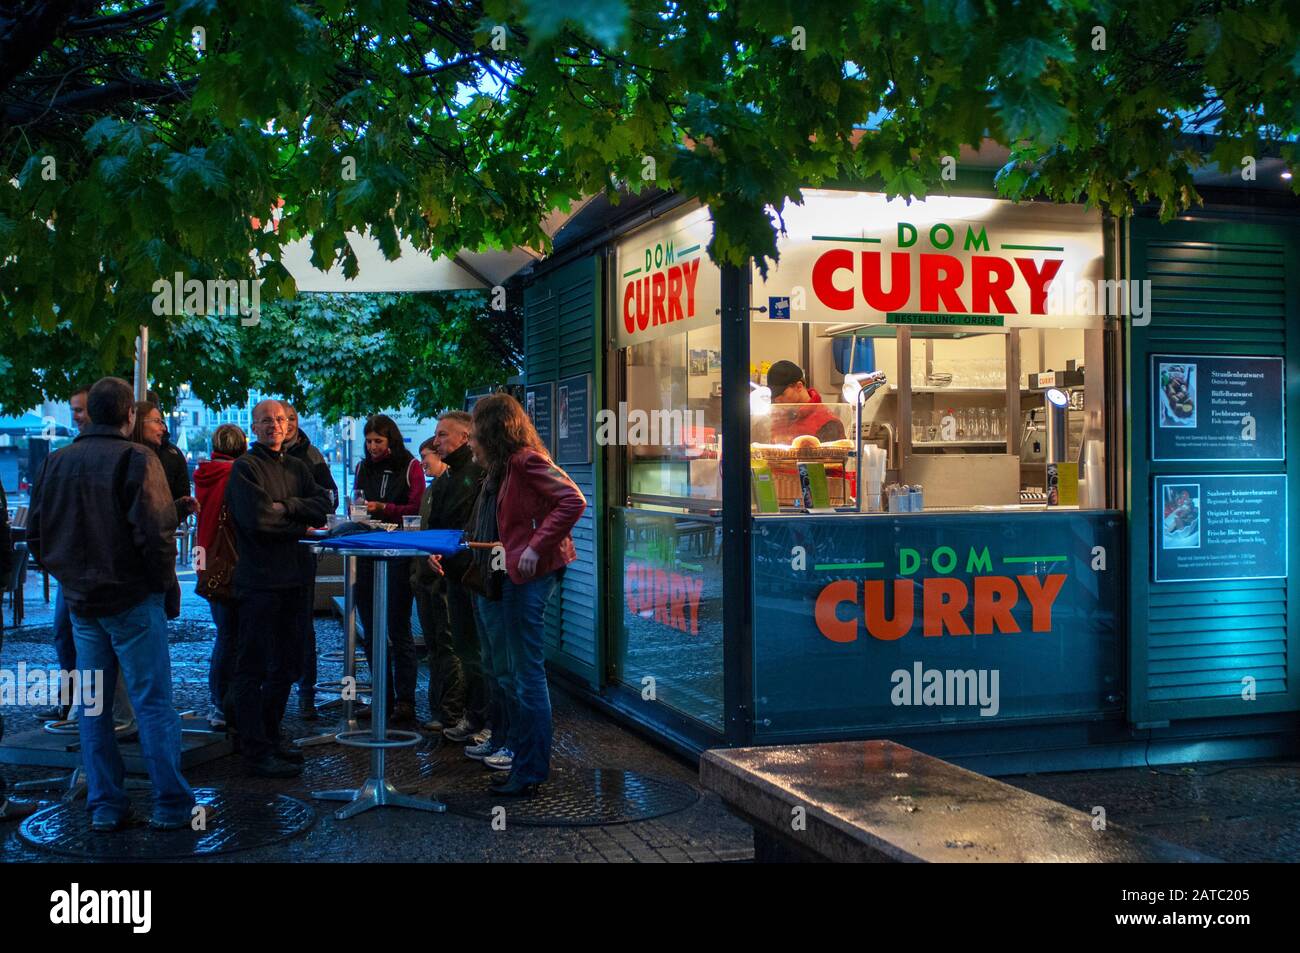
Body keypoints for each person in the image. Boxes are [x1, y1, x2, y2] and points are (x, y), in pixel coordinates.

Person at [25, 377, 194, 831]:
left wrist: (70, 578)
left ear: (89, 413)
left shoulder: (56, 462)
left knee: (94, 706)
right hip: (133, 597)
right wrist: (165, 589)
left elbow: (37, 537)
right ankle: (173, 805)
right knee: (153, 702)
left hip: (83, 601)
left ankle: (105, 805)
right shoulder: (137, 458)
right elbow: (157, 534)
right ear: (128, 415)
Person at [456, 393, 584, 798]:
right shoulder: (506, 466)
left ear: (492, 428)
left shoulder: (525, 461)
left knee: (527, 673)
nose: (472, 435)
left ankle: (529, 769)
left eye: (477, 427)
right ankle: (524, 762)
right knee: (519, 669)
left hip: (532, 573)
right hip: (518, 571)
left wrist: (533, 547)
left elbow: (573, 500)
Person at [224, 399, 331, 777]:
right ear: (254, 427)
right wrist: (298, 524)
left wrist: (285, 506)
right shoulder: (245, 469)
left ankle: (272, 737)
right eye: (267, 420)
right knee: (253, 666)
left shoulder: (300, 467)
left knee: (288, 664)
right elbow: (257, 520)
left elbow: (322, 505)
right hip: (259, 582)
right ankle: (254, 749)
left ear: (290, 426)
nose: (275, 425)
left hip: (296, 581)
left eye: (282, 419)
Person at [411, 415, 487, 745]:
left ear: (464, 436)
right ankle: (473, 716)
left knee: (478, 650)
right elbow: (440, 524)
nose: (437, 440)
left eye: (443, 435)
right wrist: (432, 549)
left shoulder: (476, 474)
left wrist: (444, 548)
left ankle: (485, 719)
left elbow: (467, 525)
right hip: (452, 571)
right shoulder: (448, 477)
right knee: (464, 647)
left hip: (472, 573)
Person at [352, 414, 423, 726]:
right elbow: (357, 502)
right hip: (367, 551)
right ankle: (382, 694)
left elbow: (416, 507)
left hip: (398, 553)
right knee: (370, 628)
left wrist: (384, 509)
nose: (372, 447)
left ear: (390, 440)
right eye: (368, 441)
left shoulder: (410, 466)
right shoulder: (362, 467)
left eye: (377, 441)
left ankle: (406, 700)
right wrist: (361, 512)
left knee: (398, 626)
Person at [283, 404, 338, 720]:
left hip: (303, 552)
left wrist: (289, 508)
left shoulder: (311, 455)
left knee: (303, 624)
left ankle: (306, 693)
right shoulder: (257, 459)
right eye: (279, 419)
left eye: (290, 419)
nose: (285, 425)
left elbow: (329, 498)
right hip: (270, 555)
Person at [192, 424, 247, 729]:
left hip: (208, 561)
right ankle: (225, 703)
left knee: (224, 633)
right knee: (232, 636)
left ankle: (220, 702)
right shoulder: (235, 475)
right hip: (232, 562)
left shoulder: (204, 473)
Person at [132, 401, 199, 522]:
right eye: (157, 421)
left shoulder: (172, 454)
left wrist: (181, 506)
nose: (163, 428)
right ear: (138, 423)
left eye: (162, 422)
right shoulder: (126, 456)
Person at [765, 359, 847, 444]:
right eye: (774, 395)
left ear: (799, 386)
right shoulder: (780, 418)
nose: (777, 399)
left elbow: (835, 455)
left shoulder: (827, 422)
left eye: (782, 394)